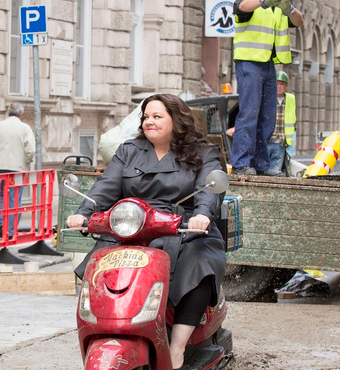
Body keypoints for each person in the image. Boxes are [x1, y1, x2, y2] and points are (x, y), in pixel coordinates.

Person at [66, 94, 226, 370]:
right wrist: (84, 212)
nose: (149, 122)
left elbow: (209, 191)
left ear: (176, 120)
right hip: (132, 226)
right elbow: (107, 185)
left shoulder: (203, 152)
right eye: (145, 117)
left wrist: (202, 214)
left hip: (183, 227)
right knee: (99, 264)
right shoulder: (129, 150)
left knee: (199, 264)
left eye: (157, 116)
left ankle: (176, 347)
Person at [230, 0, 303, 176]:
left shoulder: (278, 6)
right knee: (249, 114)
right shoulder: (252, 2)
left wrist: (290, 9)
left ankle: (260, 165)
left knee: (267, 118)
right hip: (249, 61)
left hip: (268, 65)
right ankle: (241, 164)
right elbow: (240, 7)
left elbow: (299, 21)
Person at [0, 102, 35, 238]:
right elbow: (30, 150)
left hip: (0, 168)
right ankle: (10, 230)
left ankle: (1, 225)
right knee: (14, 200)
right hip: (17, 169)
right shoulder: (25, 128)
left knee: (1, 197)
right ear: (21, 113)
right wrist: (27, 161)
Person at [265, 70, 297, 176]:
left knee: (275, 173)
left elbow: (292, 120)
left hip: (281, 143)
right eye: (277, 83)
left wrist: (289, 140)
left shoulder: (290, 100)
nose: (279, 86)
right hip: (267, 141)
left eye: (282, 84)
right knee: (262, 171)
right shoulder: (267, 97)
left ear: (286, 86)